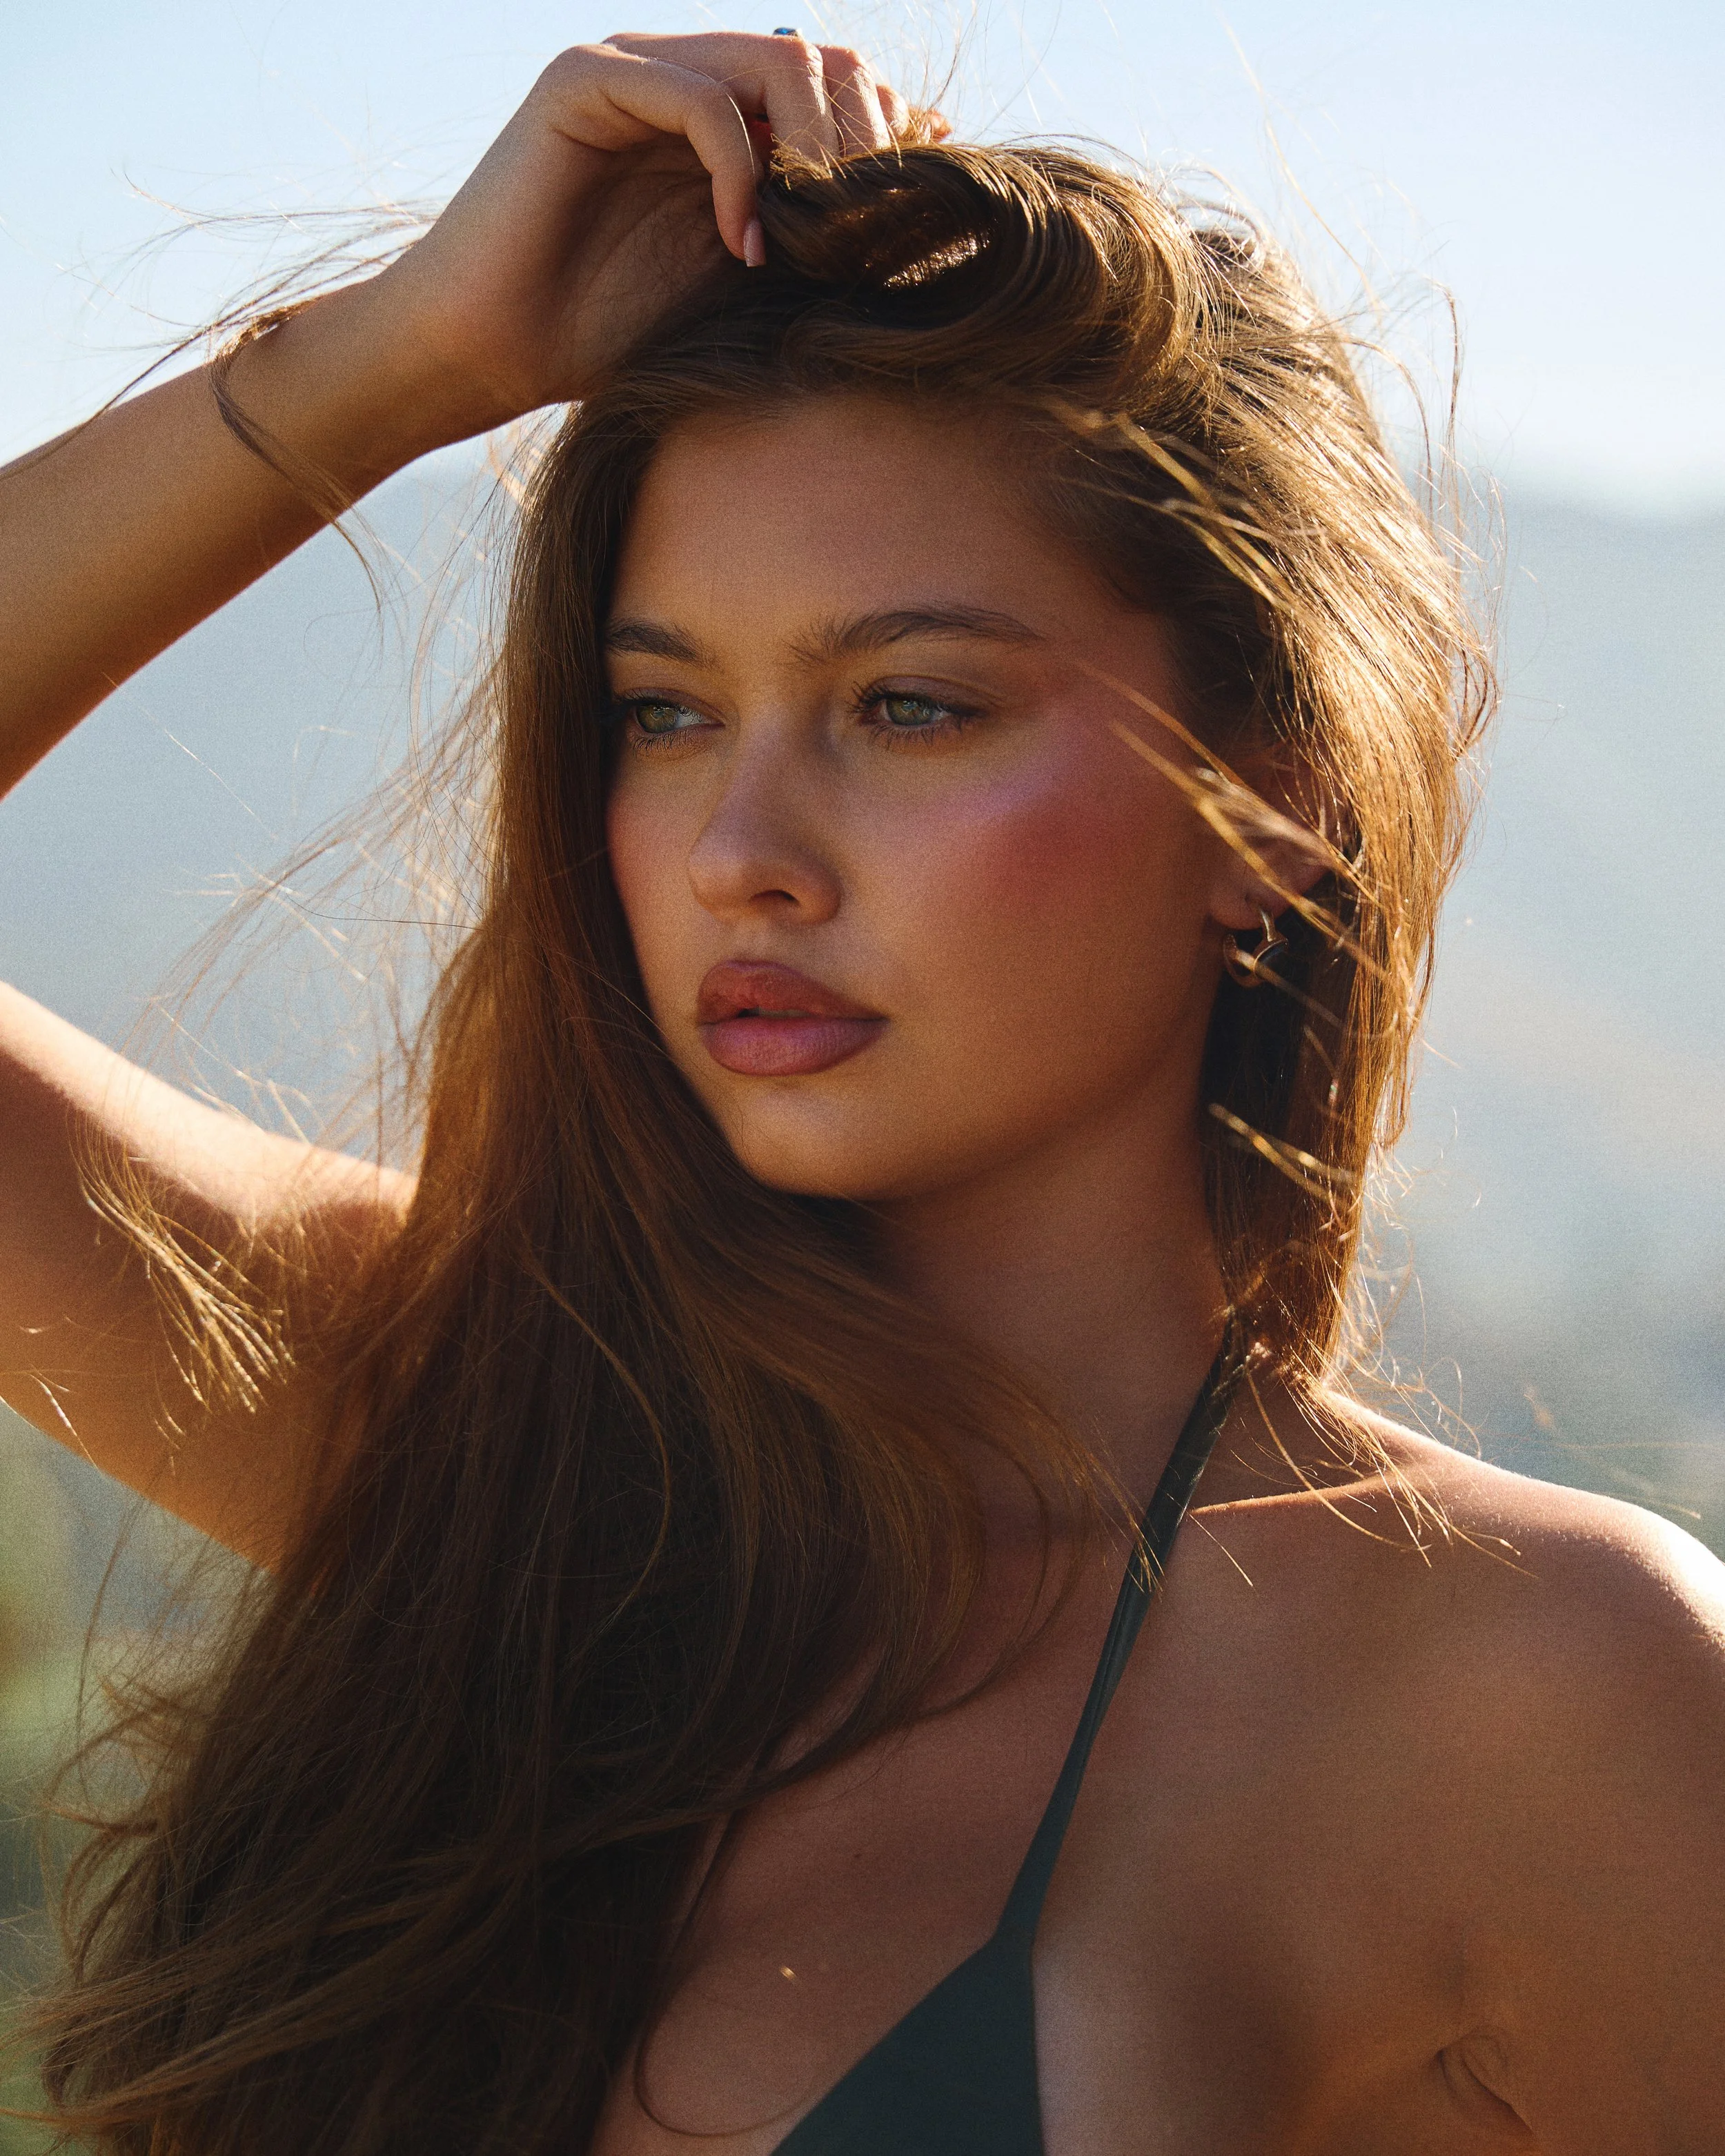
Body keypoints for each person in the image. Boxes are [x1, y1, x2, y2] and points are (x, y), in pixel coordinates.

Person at [1, 28, 1721, 2155]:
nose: (743, 850)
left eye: (905, 704)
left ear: (1270, 802)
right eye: (662, 710)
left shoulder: (1536, 1693)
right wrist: (396, 359)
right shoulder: (481, 1445)